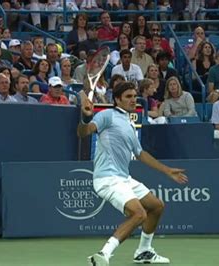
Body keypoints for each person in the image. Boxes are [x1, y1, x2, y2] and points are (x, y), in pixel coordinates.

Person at [78, 81, 188, 266]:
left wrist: (167, 171)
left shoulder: (129, 123)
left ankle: (144, 251)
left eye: (134, 96)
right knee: (139, 214)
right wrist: (86, 118)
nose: (133, 100)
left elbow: (140, 154)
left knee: (156, 206)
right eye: (128, 97)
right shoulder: (107, 115)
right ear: (117, 99)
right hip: (107, 178)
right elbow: (84, 133)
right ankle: (102, 254)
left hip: (123, 178)